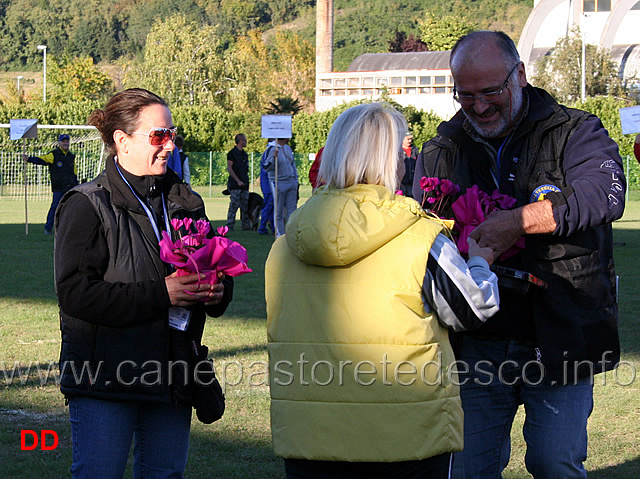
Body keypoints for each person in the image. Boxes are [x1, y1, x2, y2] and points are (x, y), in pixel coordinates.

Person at [412, 31, 625, 478]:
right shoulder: (441, 149)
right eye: (465, 95)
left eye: (492, 91)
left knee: (555, 463)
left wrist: (519, 221)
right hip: (477, 342)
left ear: (521, 75)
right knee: (467, 469)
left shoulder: (576, 130)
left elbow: (603, 194)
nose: (480, 106)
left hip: (562, 332)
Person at [266, 102, 500, 479]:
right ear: (391, 160)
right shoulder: (419, 236)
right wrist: (480, 263)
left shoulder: (284, 245)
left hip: (312, 438)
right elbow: (471, 310)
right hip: (408, 437)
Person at [54, 88, 234, 478]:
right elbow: (75, 295)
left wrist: (217, 289)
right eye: (158, 136)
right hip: (105, 378)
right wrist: (163, 293)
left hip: (172, 373)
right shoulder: (86, 204)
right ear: (121, 140)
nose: (169, 145)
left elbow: (210, 269)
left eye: (172, 135)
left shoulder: (185, 201)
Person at [23, 133, 78, 234]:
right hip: (58, 187)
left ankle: (67, 229)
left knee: (70, 208)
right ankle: (48, 228)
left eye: (67, 141)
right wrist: (29, 159)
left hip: (70, 187)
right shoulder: (54, 154)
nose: (65, 143)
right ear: (59, 143)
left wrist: (77, 184)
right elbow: (42, 160)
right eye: (63, 141)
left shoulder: (71, 156)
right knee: (55, 207)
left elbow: (74, 172)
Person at [262, 138, 298, 236]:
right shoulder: (271, 149)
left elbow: (292, 164)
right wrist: (273, 158)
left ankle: (291, 234)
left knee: (292, 210)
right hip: (278, 182)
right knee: (279, 210)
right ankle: (280, 234)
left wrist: (295, 180)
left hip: (290, 181)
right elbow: (266, 167)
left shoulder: (287, 148)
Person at [226, 133, 251, 231]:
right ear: (240, 141)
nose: (246, 142)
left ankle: (246, 225)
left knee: (245, 206)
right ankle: (229, 225)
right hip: (235, 185)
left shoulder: (244, 154)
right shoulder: (232, 153)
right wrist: (238, 181)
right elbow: (230, 168)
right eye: (244, 140)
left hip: (244, 184)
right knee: (234, 205)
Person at [258, 139, 276, 235]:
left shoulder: (268, 150)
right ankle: (262, 227)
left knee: (271, 207)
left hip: (268, 184)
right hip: (268, 185)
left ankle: (272, 227)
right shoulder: (271, 150)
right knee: (268, 207)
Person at [400, 131, 419, 197]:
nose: (410, 141)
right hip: (401, 183)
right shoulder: (398, 151)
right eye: (408, 139)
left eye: (411, 139)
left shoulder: (415, 150)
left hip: (412, 183)